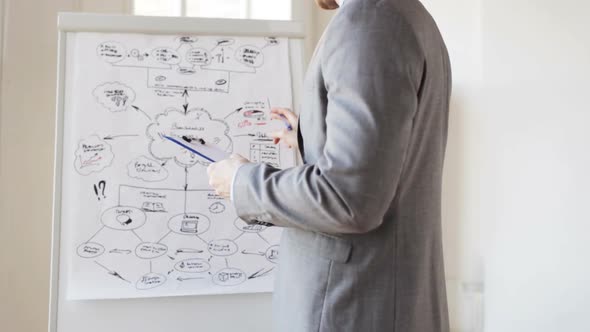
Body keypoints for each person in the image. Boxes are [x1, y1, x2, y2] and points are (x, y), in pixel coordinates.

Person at [207, 0, 451, 330]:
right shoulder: (407, 13)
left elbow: (348, 198)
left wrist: (241, 182)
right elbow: (390, 161)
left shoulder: (369, 21)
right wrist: (312, 136)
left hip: (348, 304)